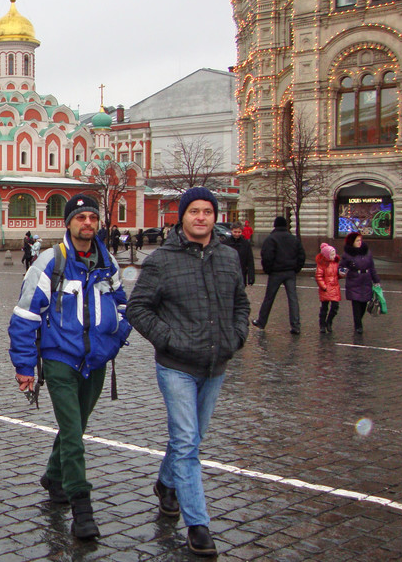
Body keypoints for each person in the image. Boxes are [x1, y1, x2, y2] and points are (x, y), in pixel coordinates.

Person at [125, 187, 249, 557]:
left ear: (215, 217)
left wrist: (236, 337)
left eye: (207, 211)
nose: (201, 217)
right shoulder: (162, 260)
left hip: (215, 364)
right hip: (176, 366)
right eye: (194, 211)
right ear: (182, 216)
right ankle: (198, 525)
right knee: (186, 441)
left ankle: (166, 484)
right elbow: (138, 308)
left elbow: (240, 304)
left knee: (191, 438)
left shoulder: (228, 257)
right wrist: (170, 340)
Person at [8, 194, 131, 540]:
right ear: (68, 223)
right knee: (75, 434)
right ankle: (82, 508)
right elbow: (25, 316)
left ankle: (53, 476)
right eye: (80, 217)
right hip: (60, 360)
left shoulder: (108, 263)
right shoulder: (50, 262)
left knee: (75, 426)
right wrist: (24, 365)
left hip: (96, 361)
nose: (87, 223)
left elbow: (123, 305)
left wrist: (115, 339)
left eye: (92, 217)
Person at [252, 216, 305, 334]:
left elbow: (267, 256)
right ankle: (296, 325)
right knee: (293, 299)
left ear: (275, 225)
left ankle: (261, 322)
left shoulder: (271, 239)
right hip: (290, 272)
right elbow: (301, 255)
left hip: (276, 272)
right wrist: (296, 268)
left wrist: (268, 270)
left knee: (269, 298)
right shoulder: (293, 239)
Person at [340, 232, 379, 334]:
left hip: (366, 280)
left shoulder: (367, 252)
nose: (359, 242)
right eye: (357, 240)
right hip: (354, 281)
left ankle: (358, 321)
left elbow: (372, 267)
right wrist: (341, 271)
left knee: (363, 304)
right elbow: (342, 266)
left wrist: (376, 280)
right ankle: (358, 325)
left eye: (360, 240)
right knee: (356, 304)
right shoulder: (347, 254)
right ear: (352, 242)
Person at [315, 243, 341, 333]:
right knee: (324, 308)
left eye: (334, 254)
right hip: (326, 289)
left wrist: (341, 274)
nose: (334, 256)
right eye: (332, 254)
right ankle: (322, 325)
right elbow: (319, 277)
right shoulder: (322, 265)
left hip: (334, 288)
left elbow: (337, 275)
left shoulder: (335, 263)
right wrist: (324, 287)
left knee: (335, 307)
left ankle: (329, 322)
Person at [223, 222, 255, 286]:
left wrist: (251, 277)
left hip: (241, 273)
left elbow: (250, 261)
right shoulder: (225, 243)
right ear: (231, 231)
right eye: (235, 232)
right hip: (228, 274)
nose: (237, 234)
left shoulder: (246, 244)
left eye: (239, 232)